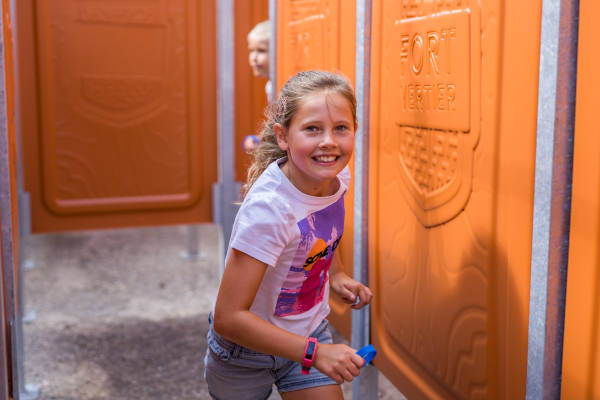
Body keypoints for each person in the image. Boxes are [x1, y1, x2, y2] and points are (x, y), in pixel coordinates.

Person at [204, 70, 373, 399]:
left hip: (310, 331)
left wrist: (335, 276)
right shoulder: (269, 212)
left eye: (341, 128)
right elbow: (228, 318)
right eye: (312, 129)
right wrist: (317, 354)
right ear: (283, 136)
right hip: (246, 354)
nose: (329, 141)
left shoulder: (336, 176)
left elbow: (320, 230)